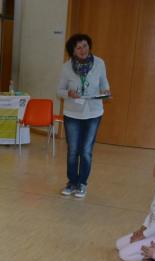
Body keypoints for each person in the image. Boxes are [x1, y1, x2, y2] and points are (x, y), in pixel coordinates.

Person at [57, 33, 111, 198]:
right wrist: (69, 93)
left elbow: (104, 85)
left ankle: (82, 184)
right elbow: (59, 90)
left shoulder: (99, 63)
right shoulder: (66, 67)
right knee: (73, 150)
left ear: (89, 46)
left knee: (86, 150)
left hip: (93, 112)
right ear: (73, 51)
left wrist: (106, 92)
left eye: (85, 46)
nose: (83, 50)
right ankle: (71, 182)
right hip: (72, 113)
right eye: (78, 47)